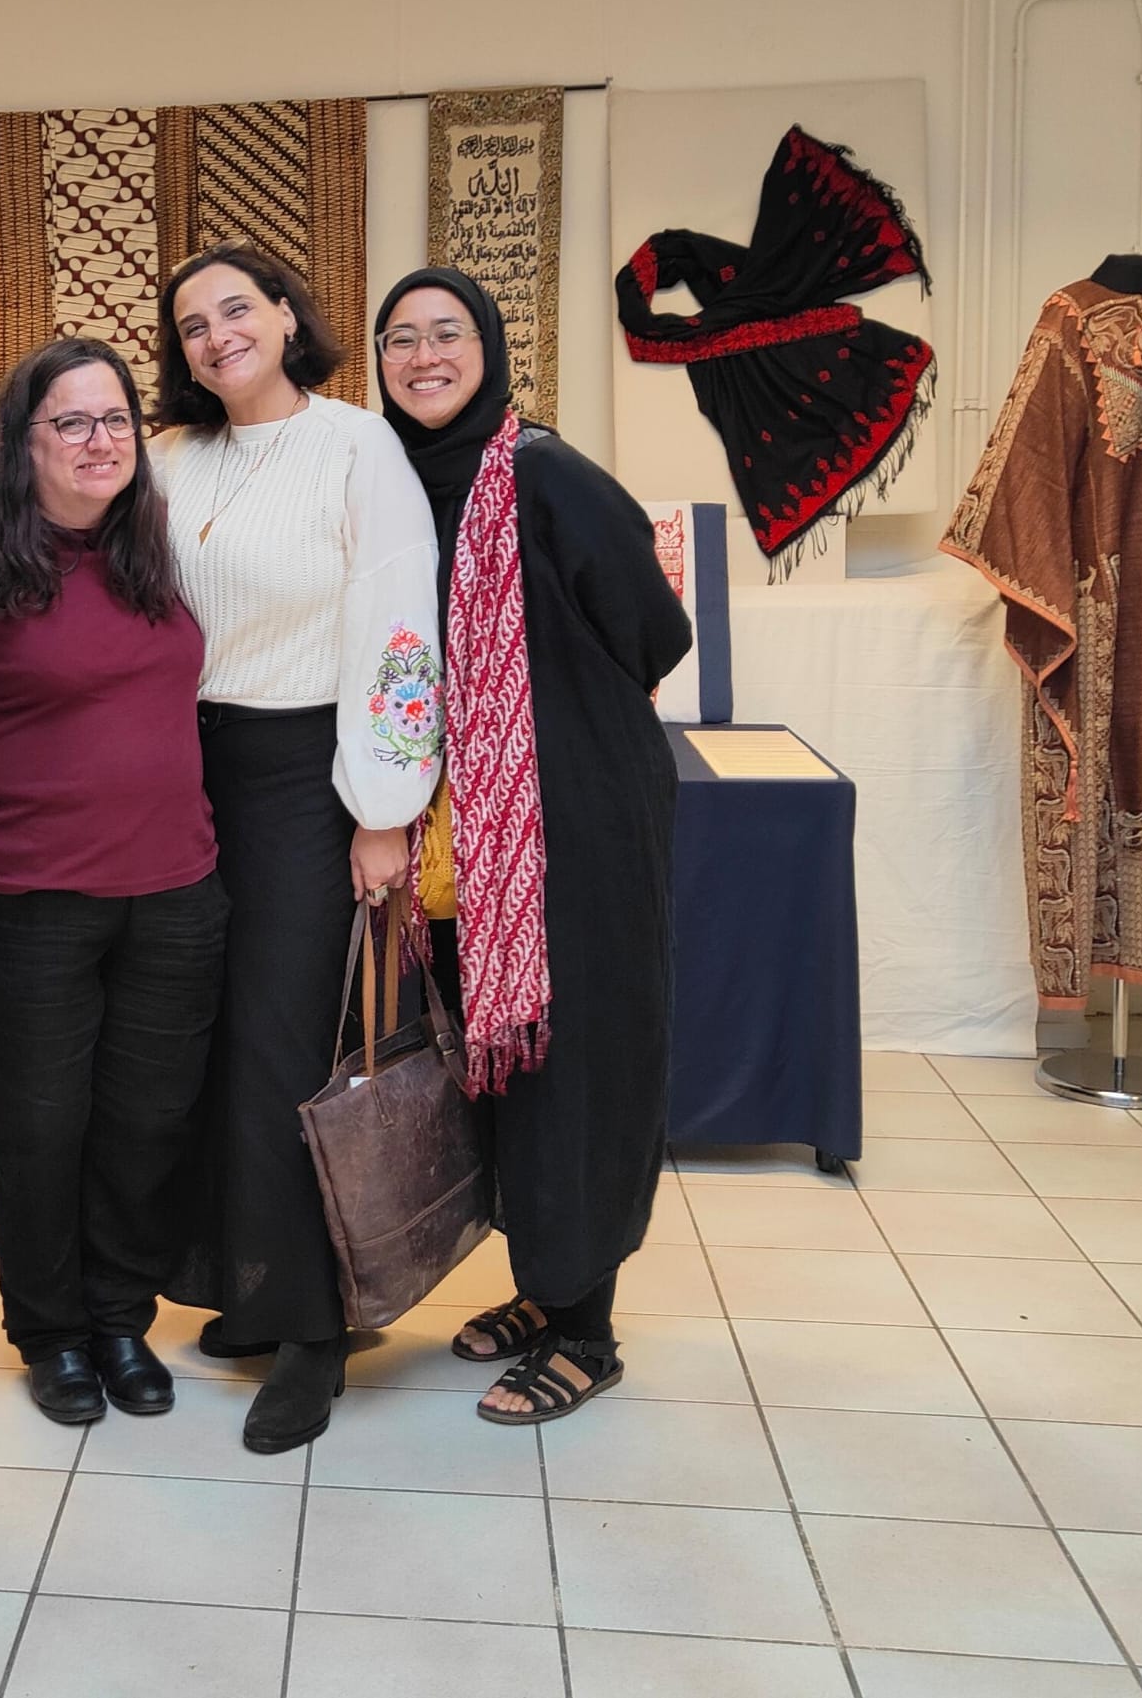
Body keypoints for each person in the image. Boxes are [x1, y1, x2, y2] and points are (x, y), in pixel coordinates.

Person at [373, 266, 691, 1424]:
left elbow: (654, 630)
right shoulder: (392, 483)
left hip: (573, 824)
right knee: (493, 1068)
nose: (423, 357)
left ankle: (585, 1331)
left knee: (573, 1070)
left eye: (446, 333)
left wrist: (538, 720)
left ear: (490, 347)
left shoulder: (544, 473)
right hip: (454, 839)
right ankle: (542, 1289)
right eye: (399, 339)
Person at [150, 243, 441, 1455]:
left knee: (288, 1047)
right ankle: (257, 1283)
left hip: (299, 776)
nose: (217, 334)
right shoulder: (168, 457)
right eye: (192, 324)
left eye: (237, 308)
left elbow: (398, 627)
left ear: (282, 316)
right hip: (180, 771)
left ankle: (316, 1329)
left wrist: (383, 808)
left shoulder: (355, 446)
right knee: (212, 1041)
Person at [0, 337, 226, 1427]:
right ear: (21, 443)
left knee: (145, 1124)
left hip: (175, 890)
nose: (100, 440)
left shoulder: (153, 550)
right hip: (27, 898)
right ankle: (51, 1330)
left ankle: (118, 1317)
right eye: (70, 421)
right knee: (38, 1128)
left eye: (116, 420)